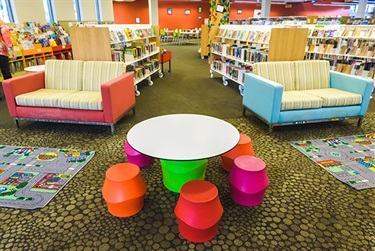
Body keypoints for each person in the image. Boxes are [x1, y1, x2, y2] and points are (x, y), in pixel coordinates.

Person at [0, 19, 15, 99]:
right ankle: (10, 91)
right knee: (6, 72)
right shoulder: (2, 24)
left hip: (2, 52)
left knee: (6, 72)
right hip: (3, 52)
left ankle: (9, 91)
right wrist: (13, 51)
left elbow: (7, 38)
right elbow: (7, 39)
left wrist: (13, 51)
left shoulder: (2, 25)